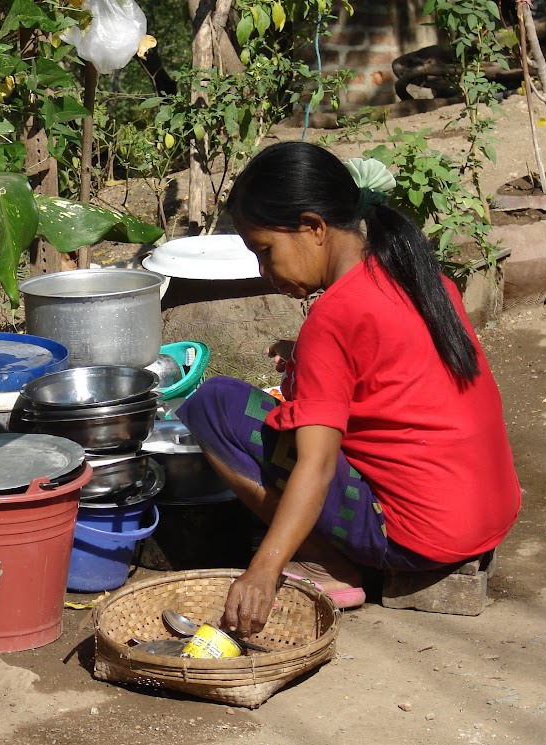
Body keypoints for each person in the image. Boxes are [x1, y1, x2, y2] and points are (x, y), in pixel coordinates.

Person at [176, 141, 521, 636]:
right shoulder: (419, 277)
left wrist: (264, 570)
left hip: (417, 538)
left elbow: (316, 466)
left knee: (214, 405)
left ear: (314, 227)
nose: (263, 273)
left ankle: (323, 562)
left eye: (266, 252)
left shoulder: (334, 317)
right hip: (487, 510)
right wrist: (307, 359)